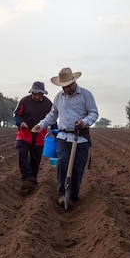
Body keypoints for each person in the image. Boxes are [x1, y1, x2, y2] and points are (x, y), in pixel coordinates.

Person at [31, 67, 98, 207]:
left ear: (74, 82)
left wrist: (84, 122)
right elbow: (52, 115)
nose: (66, 89)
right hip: (62, 137)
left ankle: (73, 196)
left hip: (81, 138)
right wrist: (41, 125)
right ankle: (62, 194)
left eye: (68, 86)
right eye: (63, 87)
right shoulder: (58, 97)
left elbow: (93, 113)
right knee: (62, 163)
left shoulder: (86, 95)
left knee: (78, 168)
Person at [13, 81, 54, 195]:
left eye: (39, 94)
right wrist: (20, 123)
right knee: (22, 154)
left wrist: (56, 132)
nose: (36, 96)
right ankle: (26, 178)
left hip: (39, 136)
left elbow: (53, 119)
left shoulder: (48, 104)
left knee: (35, 161)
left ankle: (33, 181)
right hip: (24, 134)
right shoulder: (24, 101)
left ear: (43, 94)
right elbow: (16, 115)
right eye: (34, 93)